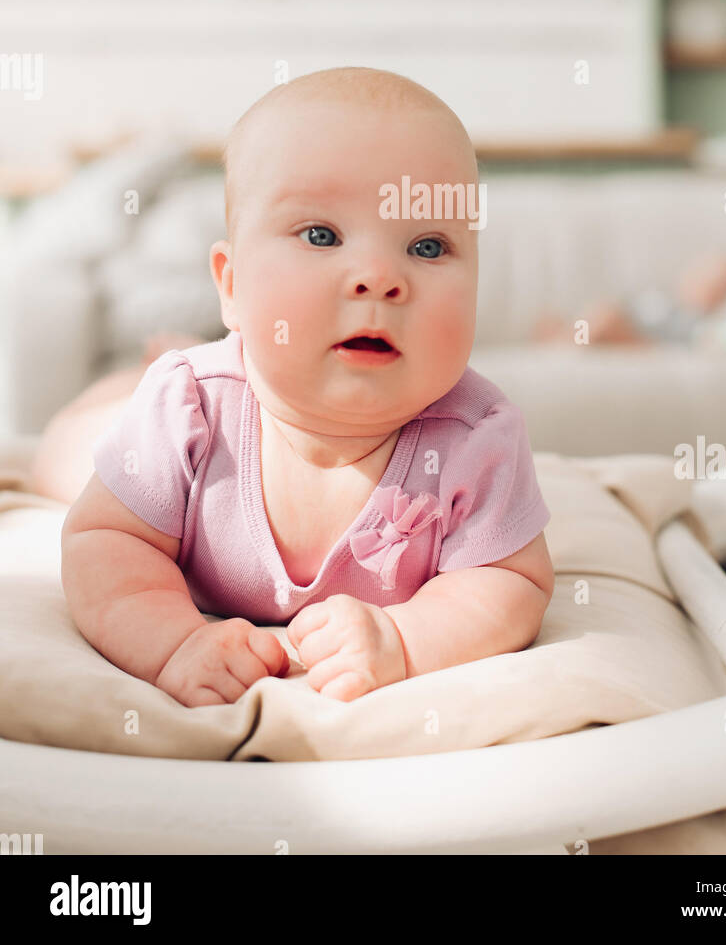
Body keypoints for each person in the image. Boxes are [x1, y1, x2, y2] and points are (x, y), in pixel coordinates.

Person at [58, 67, 554, 709]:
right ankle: (130, 380)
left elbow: (510, 581)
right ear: (231, 286)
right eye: (321, 235)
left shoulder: (477, 438)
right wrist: (174, 643)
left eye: (428, 246)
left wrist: (404, 638)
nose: (379, 278)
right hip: (149, 409)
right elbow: (104, 541)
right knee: (71, 454)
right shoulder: (189, 409)